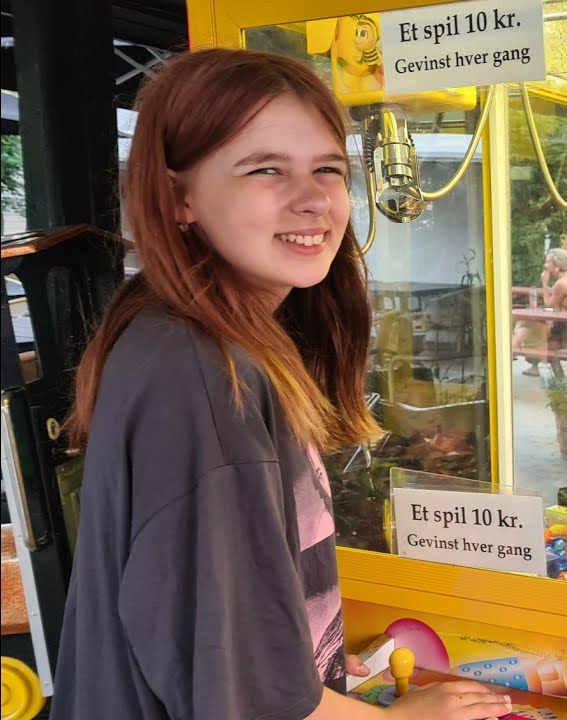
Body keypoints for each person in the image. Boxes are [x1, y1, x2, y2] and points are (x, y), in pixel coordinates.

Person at [52, 49, 513, 720]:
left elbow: (217, 628)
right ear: (179, 197)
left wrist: (313, 664)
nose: (314, 199)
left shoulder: (190, 334)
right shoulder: (203, 378)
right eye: (266, 168)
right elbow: (243, 698)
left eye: (328, 168)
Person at [513, 247, 567, 378]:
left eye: (548, 262)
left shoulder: (561, 283)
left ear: (557, 266)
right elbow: (556, 301)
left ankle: (511, 352)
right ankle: (517, 353)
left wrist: (544, 283)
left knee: (530, 328)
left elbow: (549, 305)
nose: (545, 265)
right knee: (530, 327)